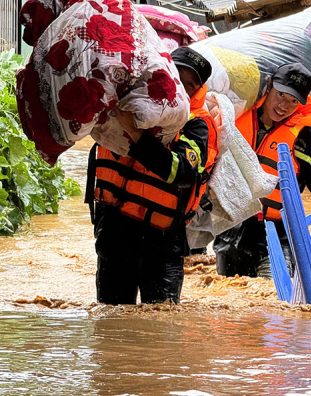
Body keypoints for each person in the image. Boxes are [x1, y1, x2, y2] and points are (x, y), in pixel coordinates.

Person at [85, 47, 219, 304]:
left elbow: (182, 172)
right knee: (109, 325)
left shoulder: (197, 124)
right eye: (177, 75)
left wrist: (135, 133)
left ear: (197, 90)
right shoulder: (126, 103)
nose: (182, 85)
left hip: (161, 242)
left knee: (160, 331)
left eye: (190, 83)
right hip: (113, 233)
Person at [214, 62, 311, 278]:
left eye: (294, 101)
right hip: (230, 233)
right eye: (281, 95)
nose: (284, 106)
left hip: (275, 234)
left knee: (277, 304)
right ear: (269, 86)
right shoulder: (235, 118)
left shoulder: (303, 138)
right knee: (230, 301)